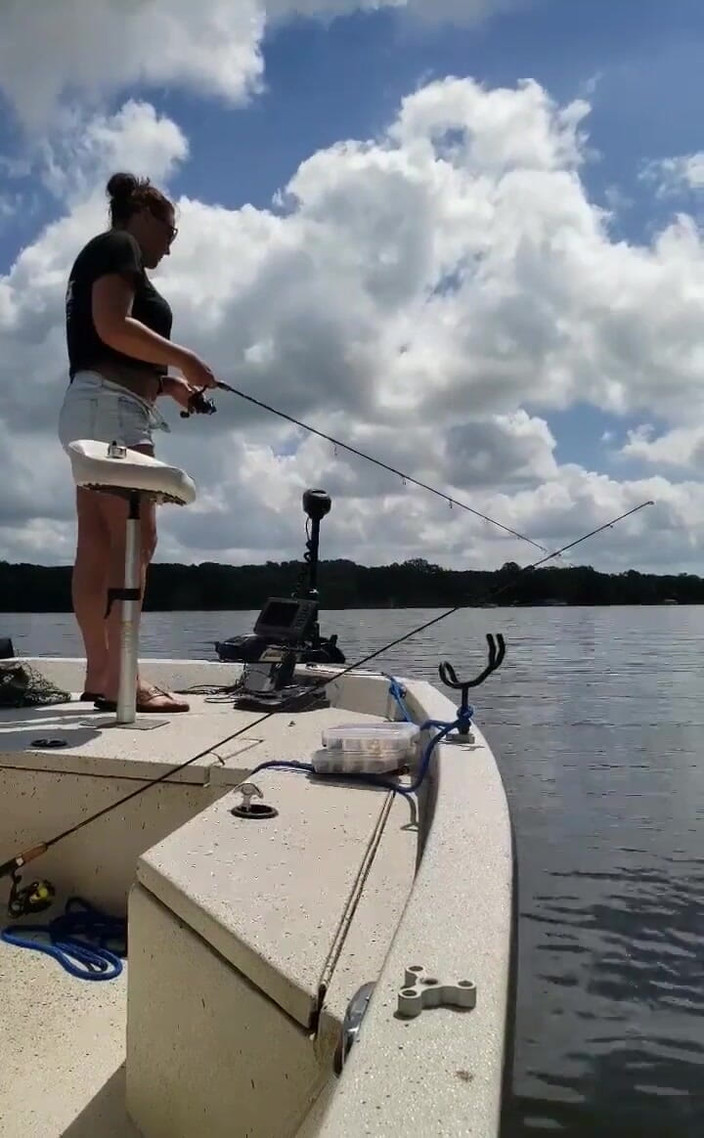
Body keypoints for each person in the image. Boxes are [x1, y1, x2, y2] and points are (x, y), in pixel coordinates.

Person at [58, 171, 217, 713]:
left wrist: (169, 386)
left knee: (98, 546)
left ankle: (101, 673)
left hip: (96, 404)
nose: (170, 246)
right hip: (112, 411)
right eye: (169, 231)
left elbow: (112, 346)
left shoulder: (106, 252)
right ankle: (123, 677)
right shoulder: (118, 245)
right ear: (144, 214)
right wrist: (186, 358)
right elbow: (111, 325)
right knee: (135, 540)